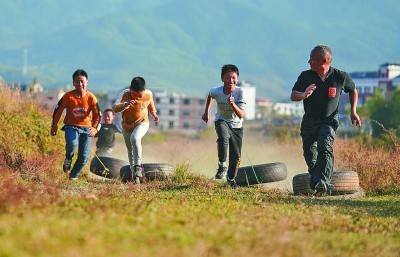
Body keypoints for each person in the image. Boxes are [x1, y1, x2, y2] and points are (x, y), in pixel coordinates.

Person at [291, 45, 362, 195]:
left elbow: (353, 90)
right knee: (309, 153)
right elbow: (293, 95)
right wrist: (304, 94)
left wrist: (353, 111)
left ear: (323, 61)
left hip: (329, 120)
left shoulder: (340, 76)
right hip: (309, 120)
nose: (309, 61)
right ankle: (317, 179)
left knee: (325, 146)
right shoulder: (305, 76)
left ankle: (324, 183)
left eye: (312, 59)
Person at [50, 69, 101, 180]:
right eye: (77, 81)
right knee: (72, 144)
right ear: (73, 83)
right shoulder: (68, 97)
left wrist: (95, 128)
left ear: (87, 82)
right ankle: (68, 158)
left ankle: (73, 176)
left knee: (84, 157)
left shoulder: (91, 97)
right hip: (71, 126)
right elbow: (57, 111)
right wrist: (54, 125)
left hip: (87, 129)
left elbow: (98, 115)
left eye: (82, 81)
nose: (80, 84)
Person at [202, 64, 246, 188]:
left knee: (236, 156)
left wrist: (233, 105)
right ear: (222, 79)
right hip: (222, 120)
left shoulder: (240, 92)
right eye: (227, 78)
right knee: (223, 137)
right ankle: (222, 165)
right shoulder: (217, 90)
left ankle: (231, 179)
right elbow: (210, 95)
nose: (230, 81)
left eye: (233, 78)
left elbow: (241, 115)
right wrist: (206, 113)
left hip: (237, 126)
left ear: (237, 79)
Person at [113, 76, 159, 184]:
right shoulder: (124, 94)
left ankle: (138, 167)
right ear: (130, 90)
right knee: (130, 150)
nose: (138, 97)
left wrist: (154, 115)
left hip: (142, 123)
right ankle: (135, 176)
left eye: (140, 95)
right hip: (126, 125)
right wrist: (125, 104)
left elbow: (151, 106)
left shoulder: (148, 94)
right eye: (135, 95)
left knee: (135, 138)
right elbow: (114, 108)